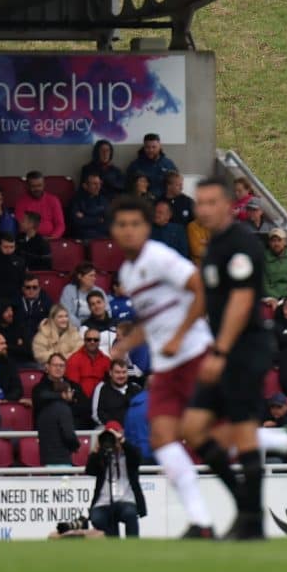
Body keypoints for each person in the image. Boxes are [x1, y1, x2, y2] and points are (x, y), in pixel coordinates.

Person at [182, 177, 287, 540]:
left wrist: (220, 351)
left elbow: (239, 302)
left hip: (245, 349)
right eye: (199, 202)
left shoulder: (241, 244)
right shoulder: (214, 246)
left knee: (242, 432)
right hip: (222, 348)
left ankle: (252, 524)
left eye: (209, 202)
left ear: (226, 205)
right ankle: (246, 505)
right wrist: (179, 335)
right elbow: (209, 298)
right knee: (193, 429)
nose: (202, 208)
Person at [103, 196, 221, 535]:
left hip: (193, 351)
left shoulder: (162, 258)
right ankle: (200, 521)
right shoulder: (128, 271)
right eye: (121, 225)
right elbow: (153, 319)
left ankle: (286, 445)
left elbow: (202, 290)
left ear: (147, 228)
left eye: (134, 224)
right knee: (165, 436)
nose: (128, 231)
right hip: (172, 361)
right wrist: (127, 344)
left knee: (206, 433)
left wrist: (178, 336)